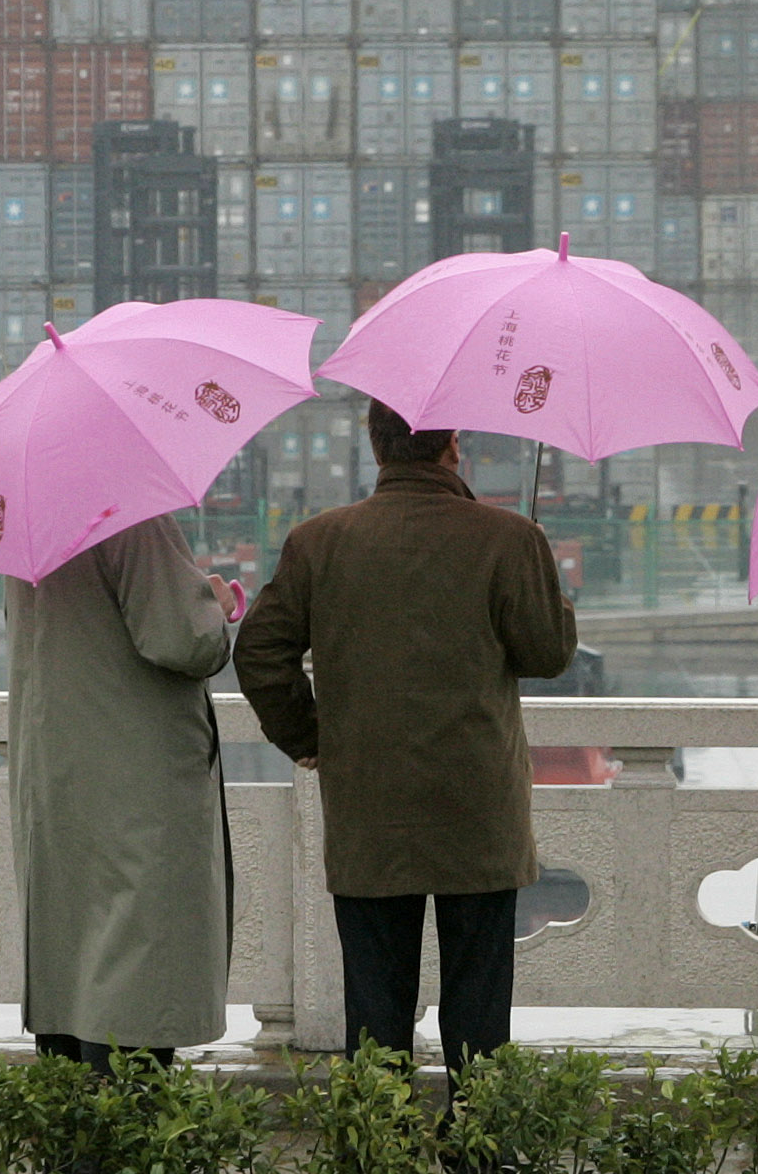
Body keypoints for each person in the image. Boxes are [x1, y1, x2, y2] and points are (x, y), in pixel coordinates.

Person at [236, 401, 576, 1082]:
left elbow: (259, 653)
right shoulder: (509, 537)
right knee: (479, 1012)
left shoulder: (319, 540)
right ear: (453, 444)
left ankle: (378, 1132)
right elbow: (547, 654)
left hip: (369, 805)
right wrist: (542, 574)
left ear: (377, 447)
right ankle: (475, 1137)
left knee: (375, 1006)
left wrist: (310, 736)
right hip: (479, 808)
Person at [7, 513, 242, 1073]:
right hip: (134, 776)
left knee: (70, 960)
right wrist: (213, 606)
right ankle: (122, 1118)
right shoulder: (132, 519)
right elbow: (186, 641)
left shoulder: (32, 524)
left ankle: (74, 1119)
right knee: (138, 965)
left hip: (56, 768)